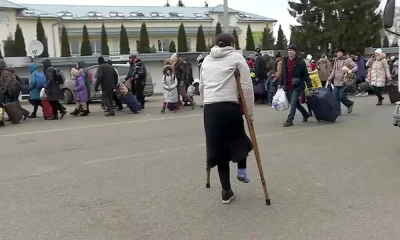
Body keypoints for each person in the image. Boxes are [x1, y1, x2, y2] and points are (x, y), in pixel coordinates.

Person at [200, 33, 254, 204]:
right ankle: (242, 171)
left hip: (210, 108)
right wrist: (249, 114)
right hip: (229, 106)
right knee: (240, 140)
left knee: (219, 148)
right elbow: (246, 88)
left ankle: (226, 191)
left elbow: (202, 86)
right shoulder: (237, 58)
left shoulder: (206, 60)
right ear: (232, 44)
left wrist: (206, 103)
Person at [278, 44, 312, 127]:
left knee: (293, 102)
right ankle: (305, 114)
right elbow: (283, 73)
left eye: (291, 50)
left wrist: (309, 85)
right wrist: (280, 83)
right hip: (288, 85)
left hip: (298, 85)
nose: (290, 52)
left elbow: (305, 74)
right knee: (295, 103)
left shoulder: (300, 62)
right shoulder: (285, 61)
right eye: (289, 50)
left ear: (295, 52)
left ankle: (290, 120)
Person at [327, 49, 357, 114]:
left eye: (340, 52)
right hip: (336, 81)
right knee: (335, 97)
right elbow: (334, 71)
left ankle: (349, 104)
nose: (338, 54)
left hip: (344, 81)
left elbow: (355, 66)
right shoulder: (336, 61)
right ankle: (338, 111)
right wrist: (330, 78)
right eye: (338, 52)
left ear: (343, 53)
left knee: (341, 96)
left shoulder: (348, 60)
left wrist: (351, 71)